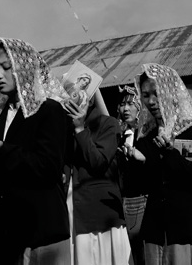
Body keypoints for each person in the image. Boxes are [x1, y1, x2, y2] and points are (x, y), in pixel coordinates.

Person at [0, 36, 71, 265]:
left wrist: (5, 152)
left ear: (25, 69)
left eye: (6, 68)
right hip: (9, 233)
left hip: (41, 229)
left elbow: (49, 167)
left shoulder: (49, 109)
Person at [126, 63, 192, 265]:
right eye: (146, 95)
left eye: (156, 93)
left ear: (171, 90)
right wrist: (136, 163)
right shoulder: (146, 136)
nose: (151, 101)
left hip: (190, 232)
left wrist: (171, 154)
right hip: (156, 233)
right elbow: (139, 187)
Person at [64, 90, 131, 264]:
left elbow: (98, 162)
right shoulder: (64, 126)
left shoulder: (109, 124)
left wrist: (80, 129)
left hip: (98, 214)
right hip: (71, 208)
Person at [115, 85, 147, 265]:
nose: (125, 109)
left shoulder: (146, 136)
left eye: (130, 104)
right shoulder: (119, 136)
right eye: (122, 104)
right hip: (124, 202)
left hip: (143, 200)